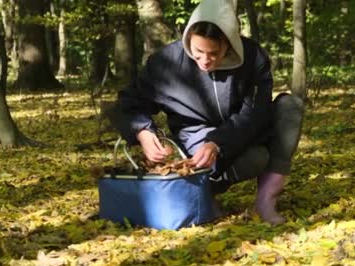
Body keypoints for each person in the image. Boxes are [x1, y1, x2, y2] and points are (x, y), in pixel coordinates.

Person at [111, 0, 304, 225]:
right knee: (256, 158)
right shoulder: (167, 62)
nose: (204, 60)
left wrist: (217, 142)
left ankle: (266, 199)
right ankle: (203, 192)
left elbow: (254, 113)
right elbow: (130, 101)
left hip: (245, 130)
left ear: (229, 43)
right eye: (198, 51)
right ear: (188, 38)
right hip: (194, 135)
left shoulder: (252, 57)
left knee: (290, 108)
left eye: (213, 53)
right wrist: (142, 131)